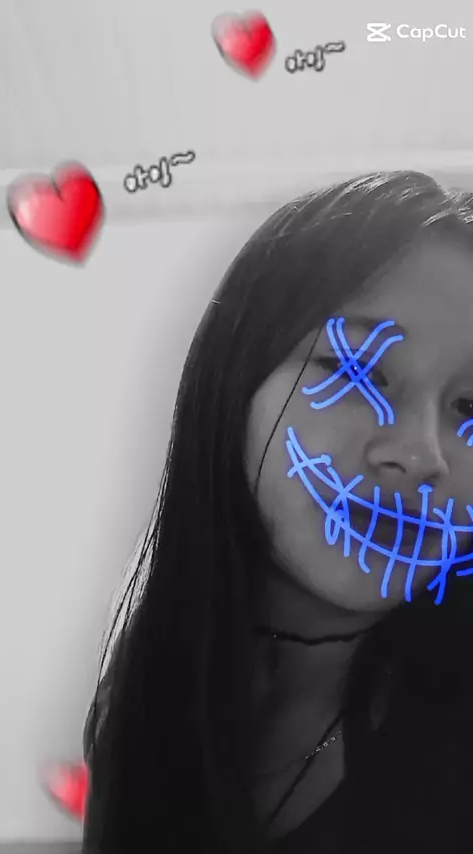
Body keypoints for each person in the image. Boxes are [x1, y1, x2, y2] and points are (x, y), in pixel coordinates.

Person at [81, 171, 473, 853]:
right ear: (233, 381)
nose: (420, 454)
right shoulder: (150, 688)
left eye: (469, 407)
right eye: (356, 371)